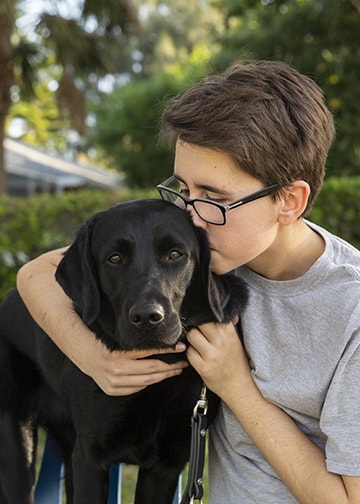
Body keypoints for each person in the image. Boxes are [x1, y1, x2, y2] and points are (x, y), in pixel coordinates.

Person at [17, 60, 360, 503]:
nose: (190, 216)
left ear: (289, 201)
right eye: (184, 188)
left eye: (214, 197)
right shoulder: (212, 251)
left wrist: (236, 386)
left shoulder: (349, 314)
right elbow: (35, 273)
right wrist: (96, 358)